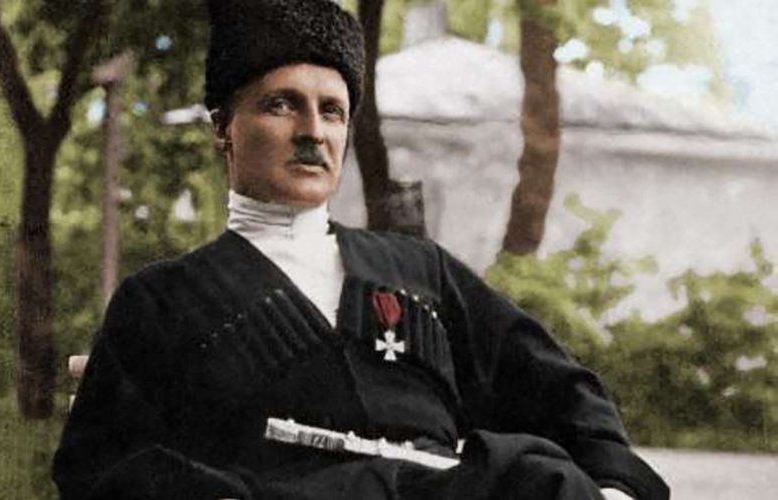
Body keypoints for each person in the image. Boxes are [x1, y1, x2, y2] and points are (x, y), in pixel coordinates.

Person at [52, 1, 669, 499]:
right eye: (281, 104)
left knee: (536, 476)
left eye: (333, 112)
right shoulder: (164, 299)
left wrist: (613, 487)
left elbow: (560, 391)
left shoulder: (419, 270)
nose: (312, 132)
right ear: (223, 127)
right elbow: (105, 461)